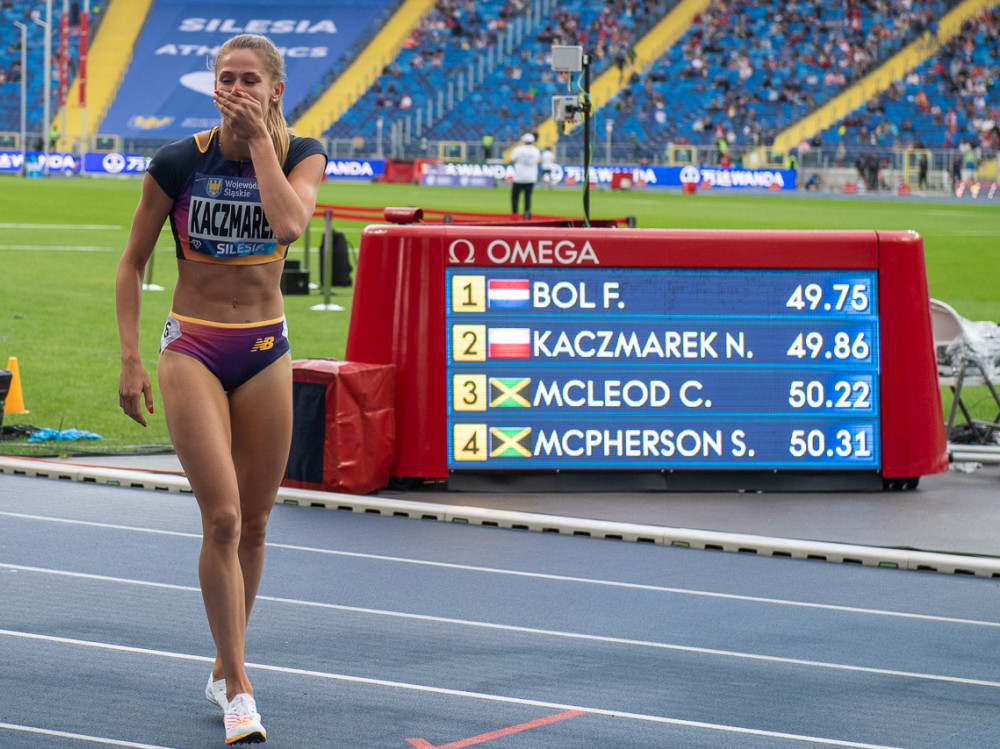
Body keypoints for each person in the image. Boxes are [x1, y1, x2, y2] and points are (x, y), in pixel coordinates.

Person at [115, 33, 327, 745]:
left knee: (260, 523)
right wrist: (129, 358)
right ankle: (240, 687)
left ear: (275, 91)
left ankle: (222, 659)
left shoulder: (301, 153)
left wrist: (260, 143)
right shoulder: (179, 161)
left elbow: (291, 224)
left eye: (249, 79)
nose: (235, 88)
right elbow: (131, 264)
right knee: (225, 518)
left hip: (266, 348)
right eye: (224, 77)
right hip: (194, 346)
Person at [508, 132, 540, 218]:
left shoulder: (518, 149)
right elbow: (538, 162)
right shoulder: (536, 150)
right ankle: (527, 214)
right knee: (528, 197)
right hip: (531, 177)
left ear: (524, 141)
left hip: (519, 177)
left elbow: (511, 160)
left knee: (515, 197)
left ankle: (514, 214)